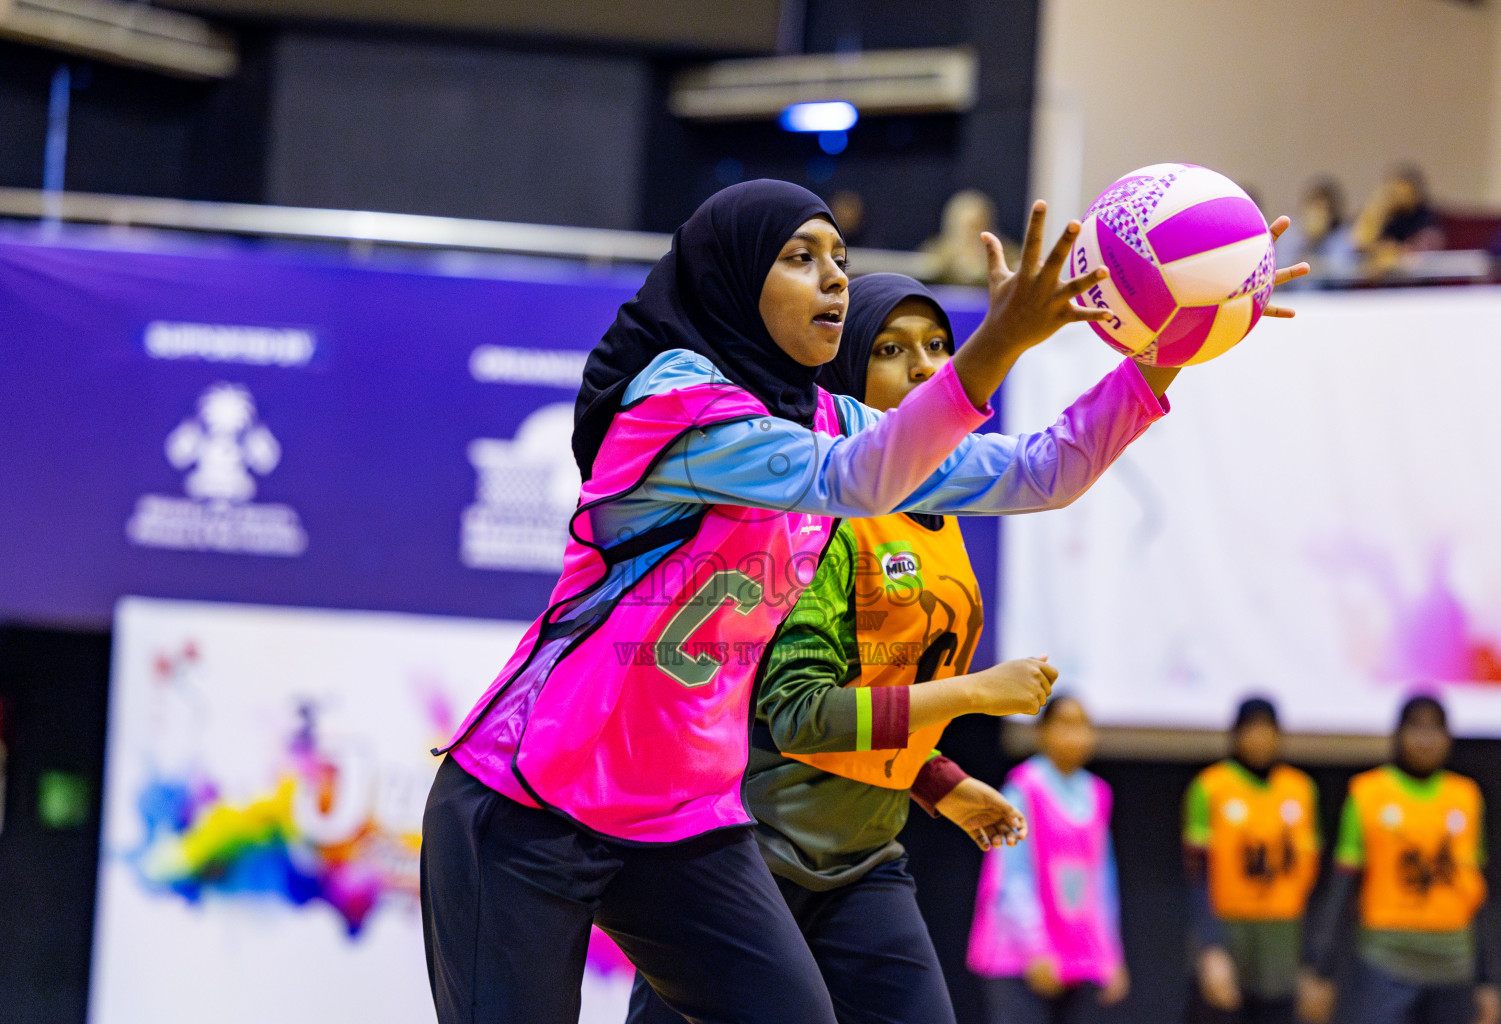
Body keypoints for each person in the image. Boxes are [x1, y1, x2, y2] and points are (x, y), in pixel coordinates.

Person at [420, 179, 1307, 1024]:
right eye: (801, 257)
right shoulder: (676, 399)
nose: (836, 276)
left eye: (840, 257)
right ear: (731, 274)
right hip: (531, 801)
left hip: (680, 817)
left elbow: (1047, 470)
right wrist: (1000, 342)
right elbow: (856, 482)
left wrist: (1170, 349)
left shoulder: (834, 419)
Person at [626, 270, 1116, 1024]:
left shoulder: (939, 503)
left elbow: (1058, 466)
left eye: (938, 346)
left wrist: (935, 778)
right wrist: (976, 695)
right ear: (851, 379)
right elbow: (796, 718)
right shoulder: (818, 517)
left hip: (861, 857)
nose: (925, 366)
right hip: (748, 853)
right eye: (892, 349)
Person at [1298, 696, 1501, 1024]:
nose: (1425, 740)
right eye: (1416, 728)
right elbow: (1341, 889)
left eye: (1435, 729)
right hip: (1386, 959)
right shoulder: (1368, 793)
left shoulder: (1465, 797)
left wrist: (1487, 980)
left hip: (1452, 963)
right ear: (1398, 734)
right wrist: (1321, 970)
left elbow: (1476, 895)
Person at [968, 695, 1129, 1024]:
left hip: (1074, 958)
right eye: (1065, 724)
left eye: (1083, 725)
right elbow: (1010, 879)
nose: (1075, 735)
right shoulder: (1022, 789)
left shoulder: (1097, 794)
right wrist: (1035, 949)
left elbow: (1102, 882)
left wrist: (1110, 955)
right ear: (1042, 732)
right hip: (1020, 957)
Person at [1183, 698, 1319, 1024]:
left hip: (1281, 934)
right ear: (1235, 734)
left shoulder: (1300, 789)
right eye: (1250, 729)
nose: (1259, 738)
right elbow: (1195, 876)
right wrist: (1210, 946)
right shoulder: (1210, 787)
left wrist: (1312, 962)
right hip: (1228, 927)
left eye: (1267, 729)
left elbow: (1310, 876)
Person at [1352, 164, 1446, 274]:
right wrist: (1376, 209)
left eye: (1402, 190)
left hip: (1416, 279)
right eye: (1392, 191)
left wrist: (1391, 252)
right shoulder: (1387, 214)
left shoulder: (1424, 216)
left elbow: (1420, 252)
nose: (1397, 195)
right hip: (1387, 277)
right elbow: (1359, 244)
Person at [924, 189, 1020, 286]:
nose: (971, 233)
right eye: (966, 227)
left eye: (977, 225)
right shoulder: (935, 254)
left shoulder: (1006, 255)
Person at [1274, 178, 1358, 283]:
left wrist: (1317, 241)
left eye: (1322, 210)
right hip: (1291, 296)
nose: (1316, 215)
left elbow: (1345, 270)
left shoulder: (1342, 234)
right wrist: (1308, 239)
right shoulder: (1288, 230)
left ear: (1332, 214)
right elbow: (1280, 266)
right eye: (1312, 208)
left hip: (1331, 295)